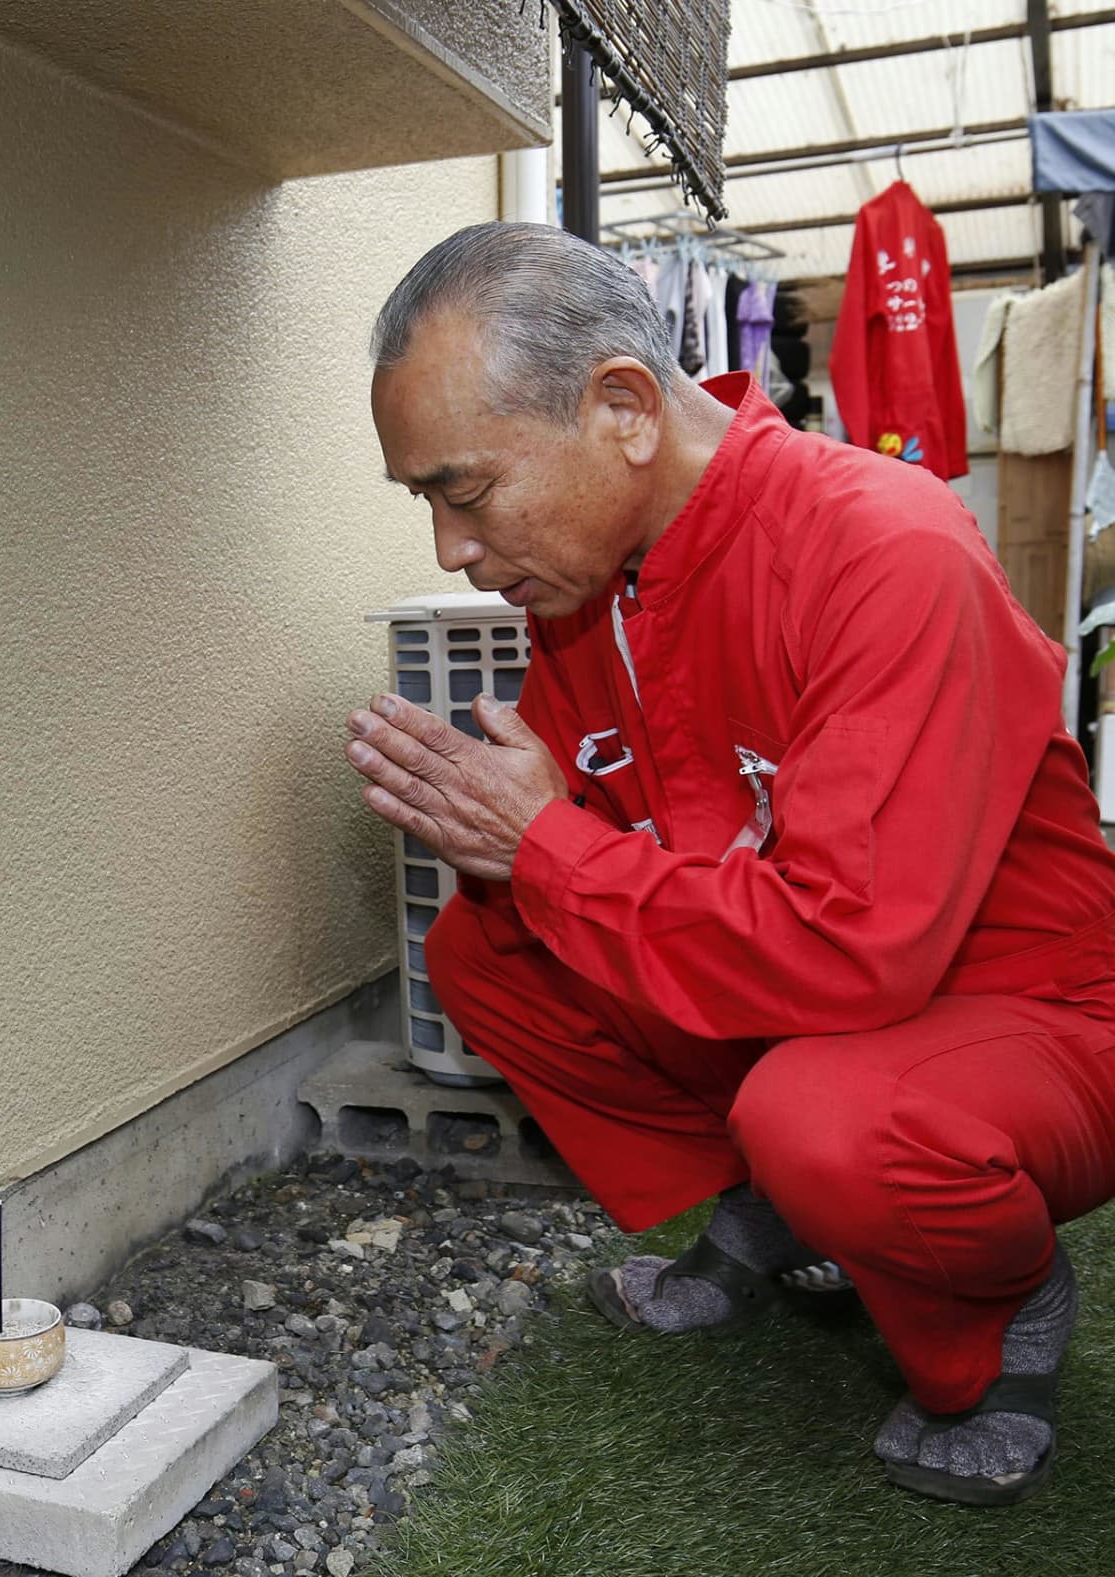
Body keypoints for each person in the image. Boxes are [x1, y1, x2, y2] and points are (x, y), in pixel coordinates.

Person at [344, 221, 1115, 1507]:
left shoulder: (885, 545)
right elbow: (618, 867)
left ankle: (1001, 1304)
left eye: (464, 492)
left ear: (624, 409)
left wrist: (541, 844)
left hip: (1034, 1020)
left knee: (825, 1113)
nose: (447, 551)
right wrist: (505, 850)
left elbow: (849, 944)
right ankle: (783, 1200)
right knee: (488, 949)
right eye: (424, 500)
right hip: (817, 1006)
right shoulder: (596, 587)